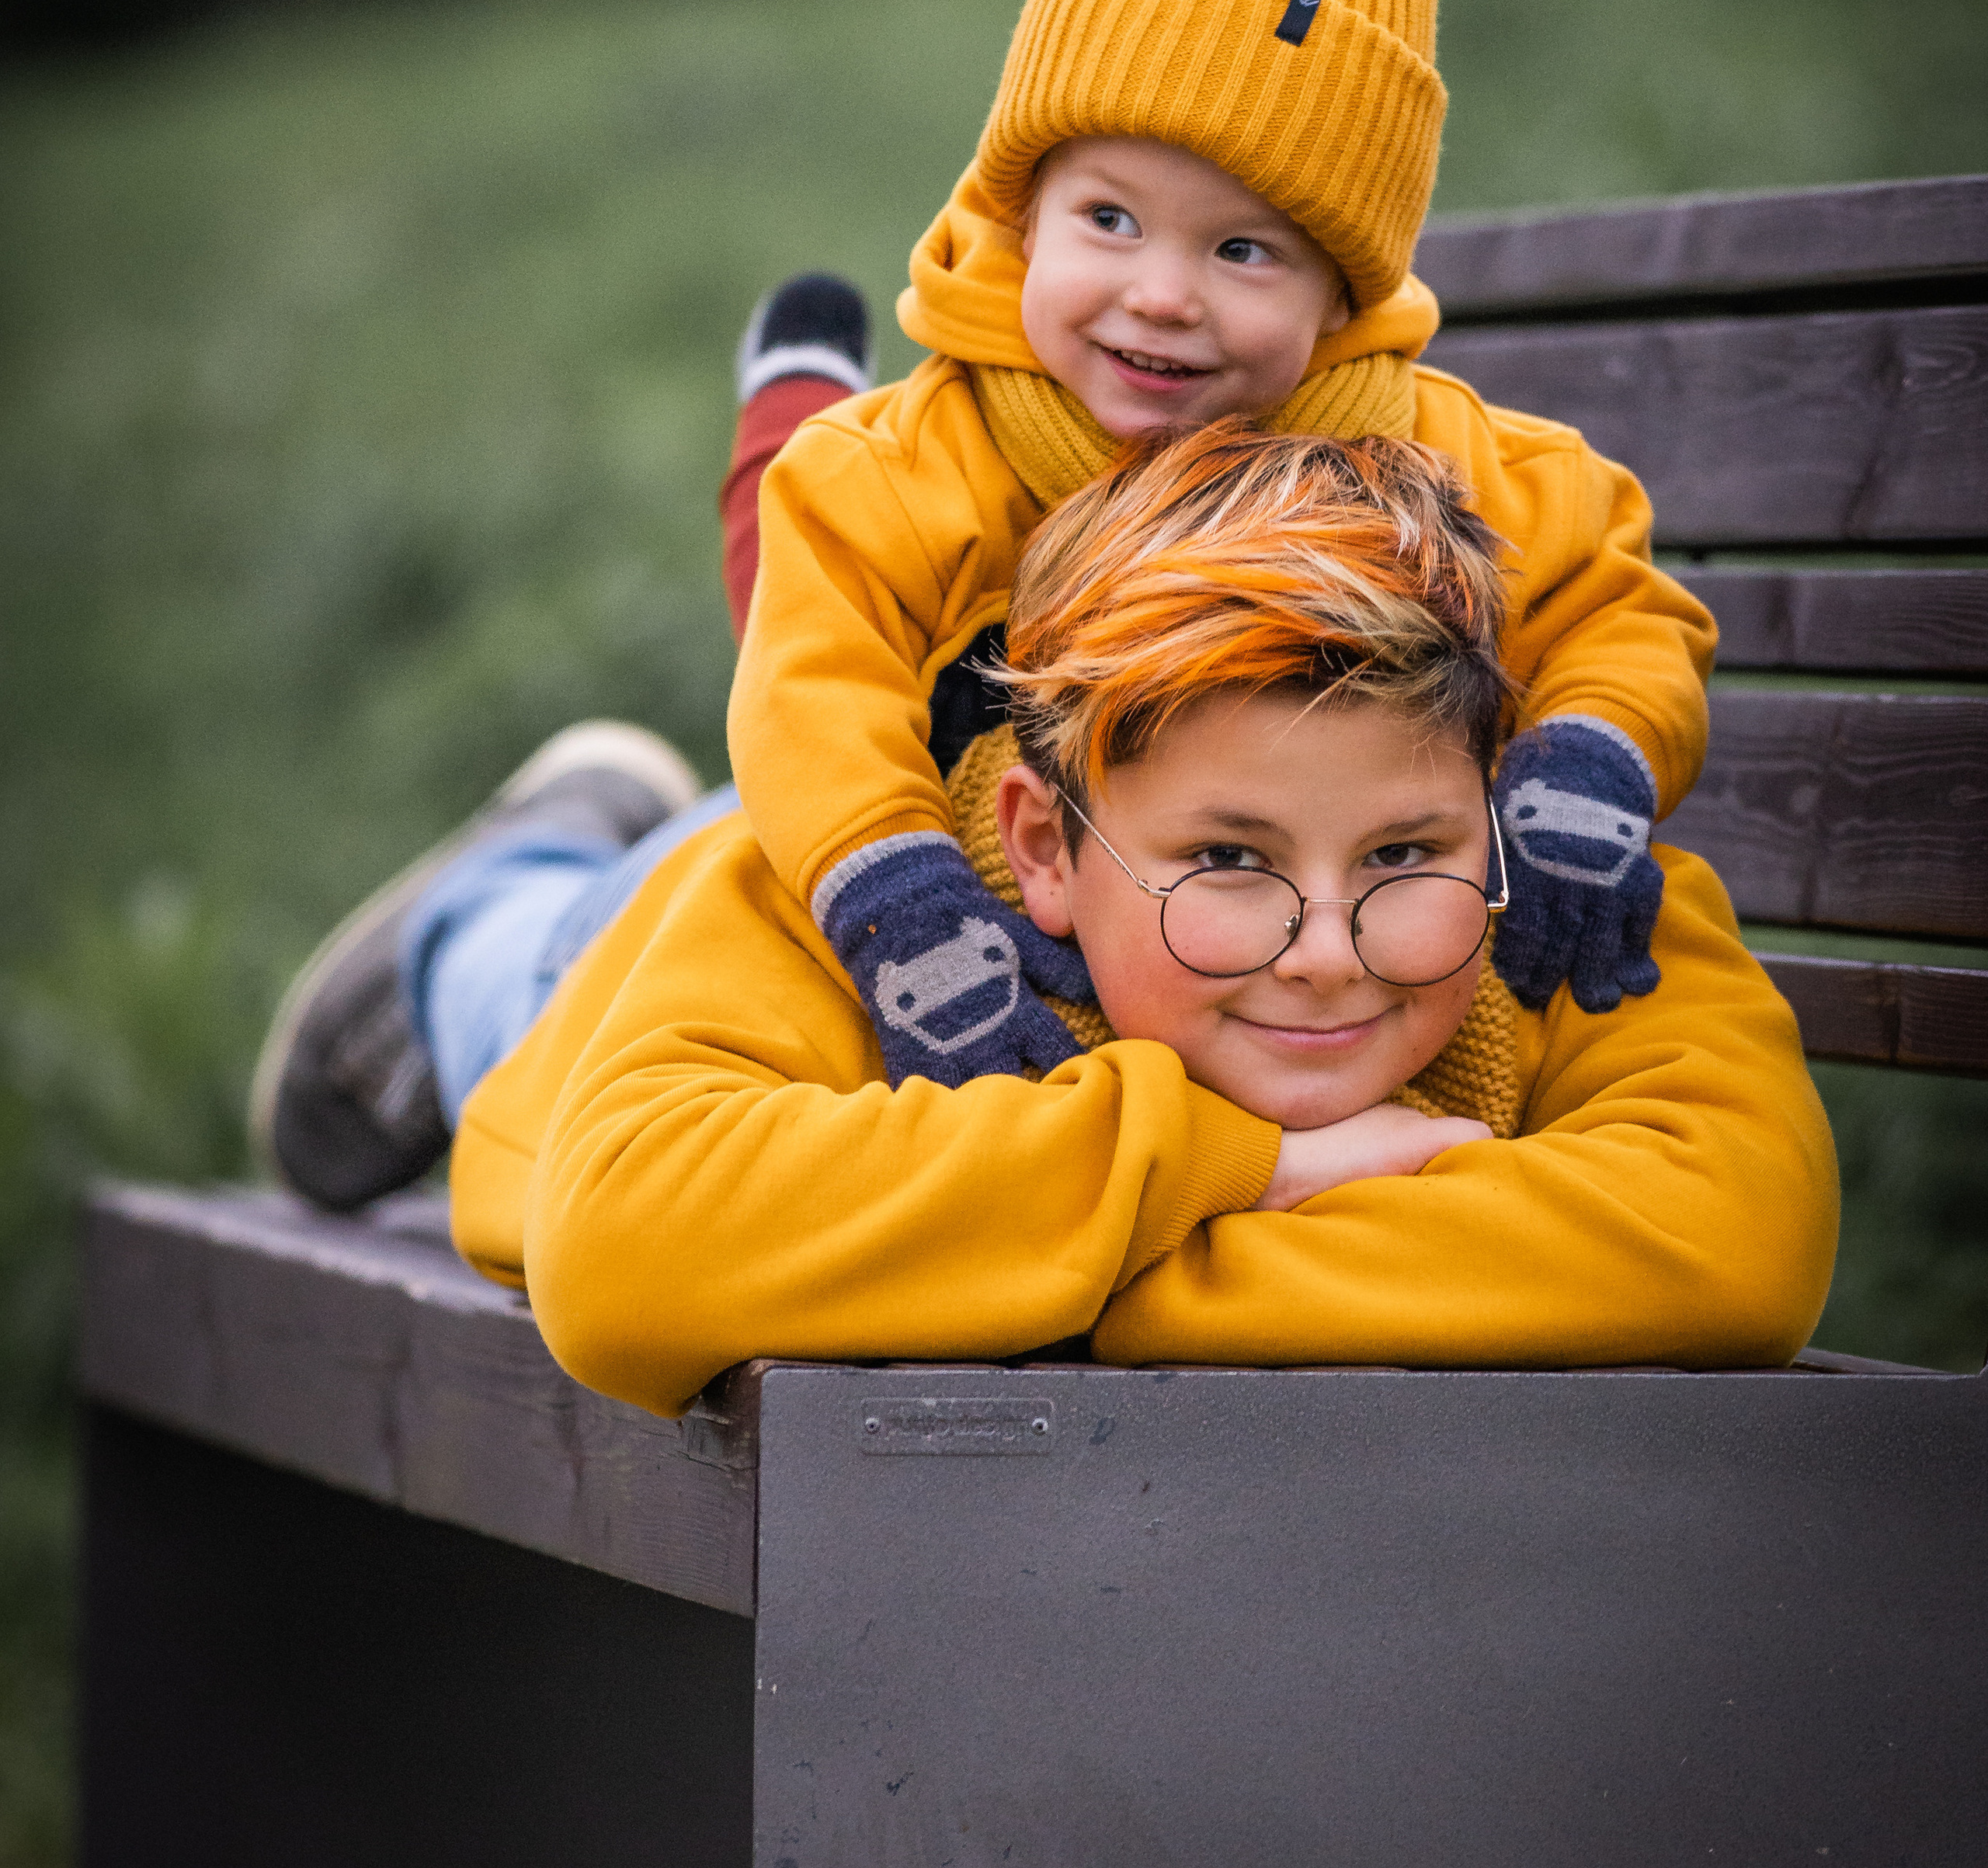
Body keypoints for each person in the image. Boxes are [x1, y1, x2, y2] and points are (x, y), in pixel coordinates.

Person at [719, 0, 1717, 1113]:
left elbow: (1621, 611)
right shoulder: (899, 470)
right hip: (967, 878)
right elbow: (811, 698)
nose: (1164, 293)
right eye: (1110, 220)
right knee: (759, 593)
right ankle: (502, 916)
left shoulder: (1452, 470)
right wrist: (904, 904)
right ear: (1021, 215)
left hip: (1225, 964)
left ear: (1342, 292)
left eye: (1243, 248)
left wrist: (1593, 760)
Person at [426, 425, 1834, 1416]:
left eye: (1405, 851)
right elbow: (627, 1258)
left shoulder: (1551, 903)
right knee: (500, 941)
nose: (1330, 952)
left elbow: (1737, 1241)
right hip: (572, 984)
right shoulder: (874, 915)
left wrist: (1111, 1263)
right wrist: (1244, 1161)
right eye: (1231, 857)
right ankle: (526, 848)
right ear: (1045, 849)